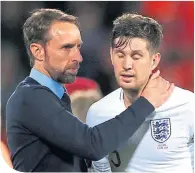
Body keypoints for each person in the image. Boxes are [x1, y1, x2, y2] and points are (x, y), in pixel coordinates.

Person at [6, 9, 174, 172]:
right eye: (66, 48)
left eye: (78, 47)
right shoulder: (31, 97)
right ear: (38, 51)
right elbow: (92, 145)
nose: (78, 57)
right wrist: (146, 102)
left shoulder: (53, 97)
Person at [86, 13, 194, 173]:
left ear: (154, 60)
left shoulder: (188, 105)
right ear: (111, 56)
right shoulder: (98, 113)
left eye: (136, 56)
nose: (127, 65)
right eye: (120, 55)